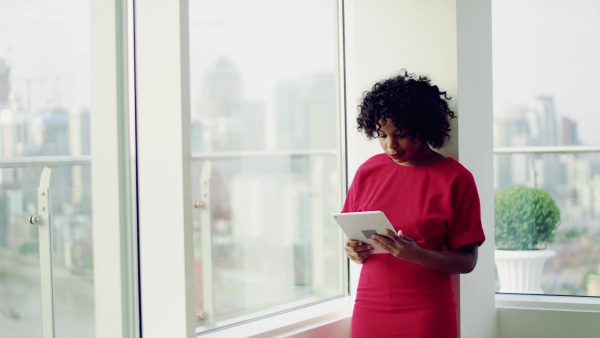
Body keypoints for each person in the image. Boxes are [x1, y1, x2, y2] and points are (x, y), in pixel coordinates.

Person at [342, 69, 486, 338]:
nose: (390, 145)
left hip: (427, 310)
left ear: (423, 127)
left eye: (401, 134)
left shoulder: (456, 178)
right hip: (369, 306)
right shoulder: (367, 172)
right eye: (381, 135)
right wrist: (353, 250)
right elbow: (353, 239)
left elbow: (468, 261)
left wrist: (415, 253)